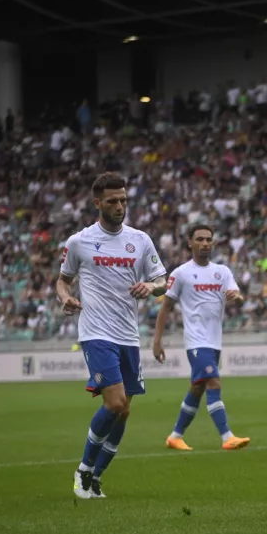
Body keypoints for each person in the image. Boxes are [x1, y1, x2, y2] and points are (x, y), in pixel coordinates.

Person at [59, 173, 168, 499]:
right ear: (97, 203)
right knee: (115, 402)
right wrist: (65, 297)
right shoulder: (79, 242)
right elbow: (62, 280)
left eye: (123, 200)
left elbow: (164, 281)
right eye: (112, 201)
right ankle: (82, 469)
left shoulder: (140, 240)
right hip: (95, 332)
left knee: (125, 410)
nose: (120, 206)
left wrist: (151, 286)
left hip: (128, 336)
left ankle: (96, 477)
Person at [153, 224, 251, 451]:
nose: (205, 243)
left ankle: (175, 436)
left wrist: (236, 297)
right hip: (196, 341)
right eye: (200, 239)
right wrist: (157, 341)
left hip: (214, 341)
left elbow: (239, 298)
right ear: (190, 242)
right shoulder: (181, 273)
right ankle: (227, 437)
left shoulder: (223, 272)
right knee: (213, 382)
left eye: (208, 239)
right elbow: (165, 307)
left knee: (197, 388)